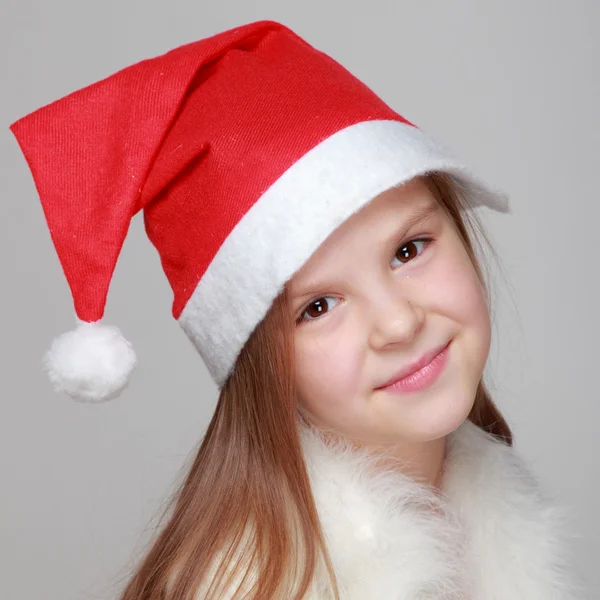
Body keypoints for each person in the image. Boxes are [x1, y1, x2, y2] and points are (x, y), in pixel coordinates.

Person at [9, 19, 580, 600]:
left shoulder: (489, 516)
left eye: (408, 250)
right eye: (319, 306)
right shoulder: (262, 586)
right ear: (258, 363)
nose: (399, 323)